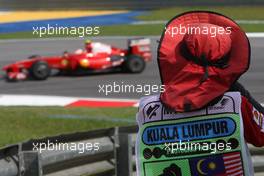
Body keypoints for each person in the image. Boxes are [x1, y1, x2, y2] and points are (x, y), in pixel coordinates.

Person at [136, 11, 264, 176]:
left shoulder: (149, 108)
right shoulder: (237, 101)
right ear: (227, 58)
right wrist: (232, 86)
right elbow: (260, 136)